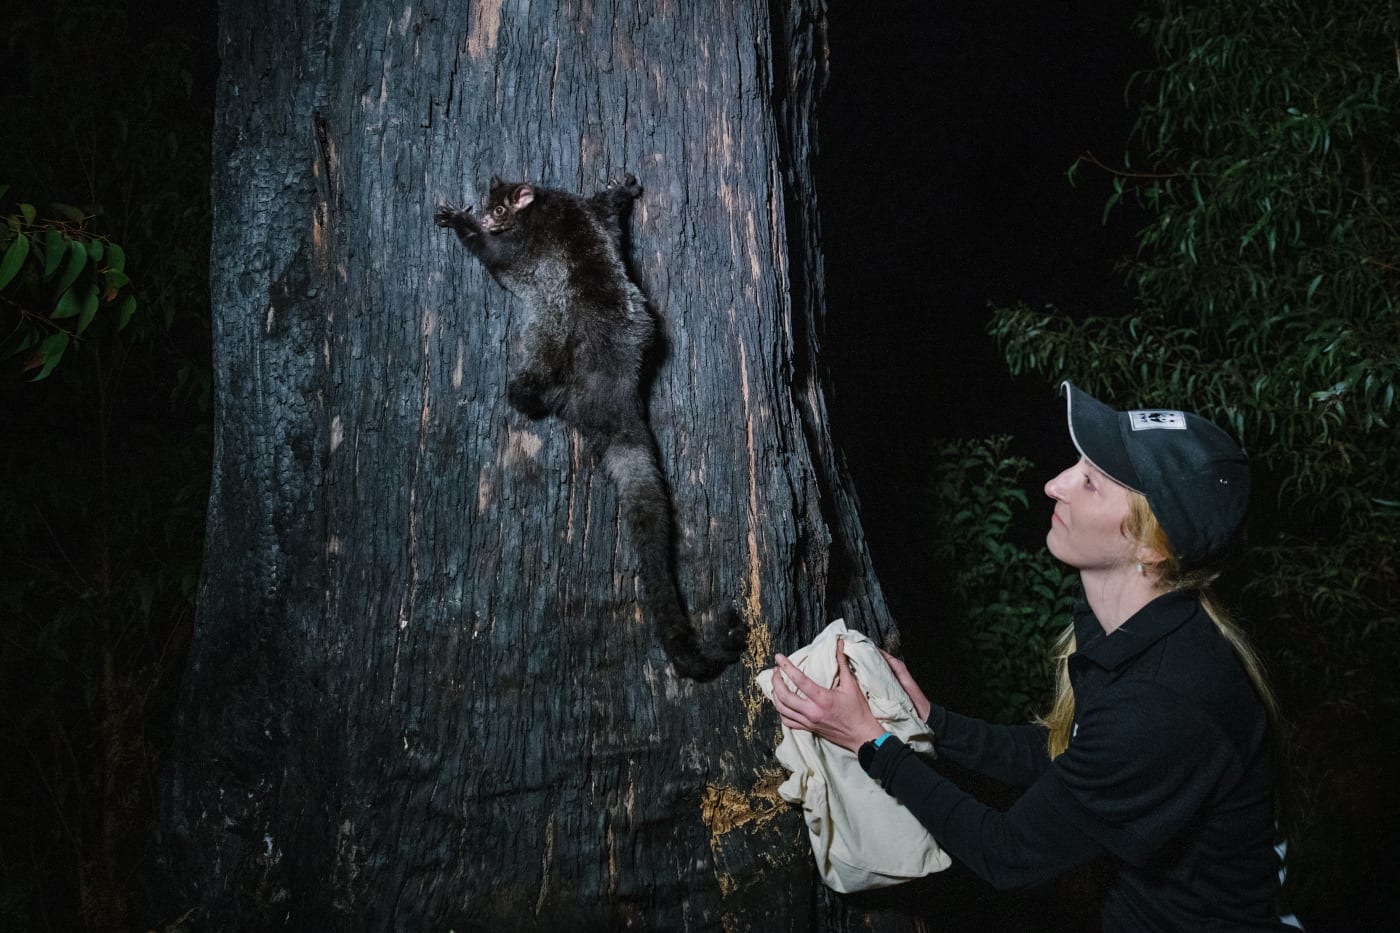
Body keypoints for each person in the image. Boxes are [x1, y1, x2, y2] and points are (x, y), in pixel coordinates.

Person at [769, 381, 1288, 931]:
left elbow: (1007, 854)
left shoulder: (1159, 702)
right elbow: (1074, 755)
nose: (1054, 484)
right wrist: (933, 723)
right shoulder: (1123, 627)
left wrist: (870, 743)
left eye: (1090, 483)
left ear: (1149, 545)